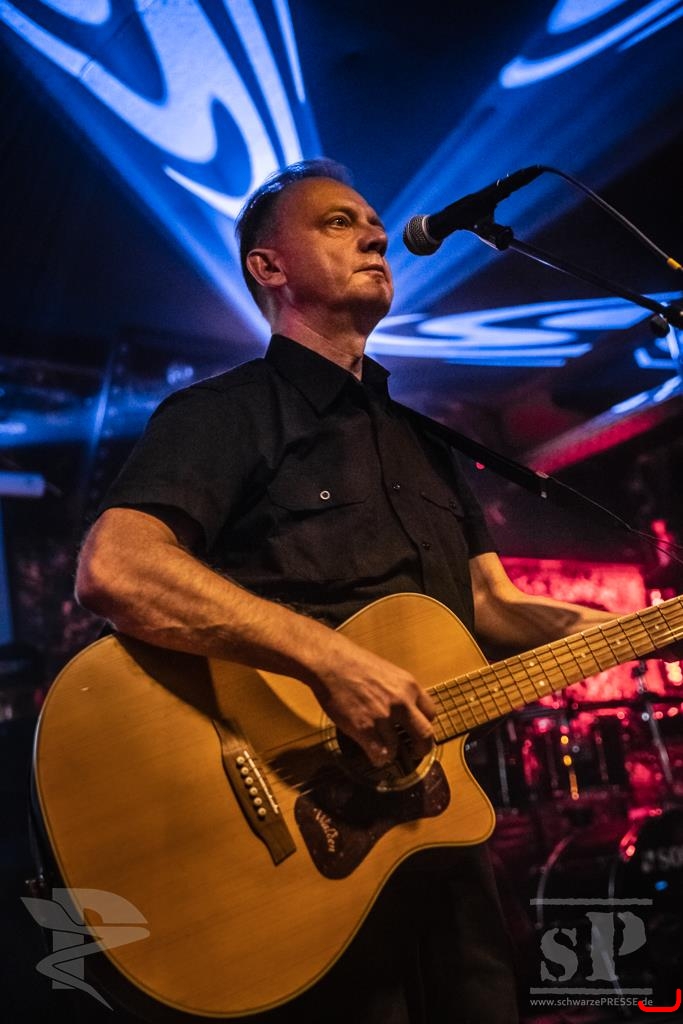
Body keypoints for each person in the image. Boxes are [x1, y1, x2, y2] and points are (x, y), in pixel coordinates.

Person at [74, 159, 633, 1023]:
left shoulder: (426, 441)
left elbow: (490, 606)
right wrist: (327, 660)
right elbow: (116, 566)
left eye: (372, 222)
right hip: (299, 846)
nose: (375, 234)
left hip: (436, 835)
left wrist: (641, 629)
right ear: (269, 266)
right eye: (338, 222)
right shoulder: (226, 413)